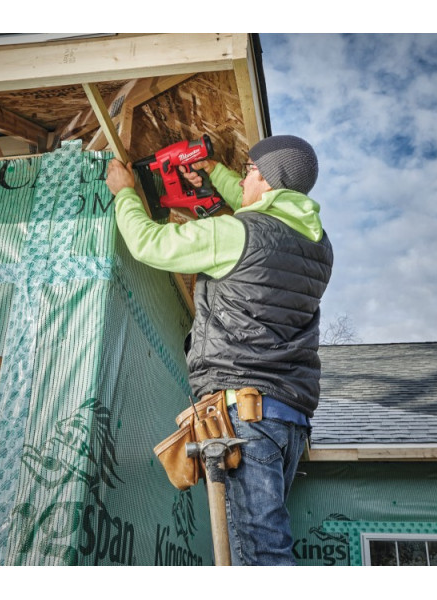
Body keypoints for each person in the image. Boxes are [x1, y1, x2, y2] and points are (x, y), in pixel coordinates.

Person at [106, 135, 333, 565]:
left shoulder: (235, 234)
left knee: (258, 557)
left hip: (247, 418)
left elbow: (150, 244)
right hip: (289, 419)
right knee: (259, 547)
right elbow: (260, 209)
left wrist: (125, 194)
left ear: (268, 179)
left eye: (249, 171)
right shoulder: (319, 246)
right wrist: (212, 171)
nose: (242, 179)